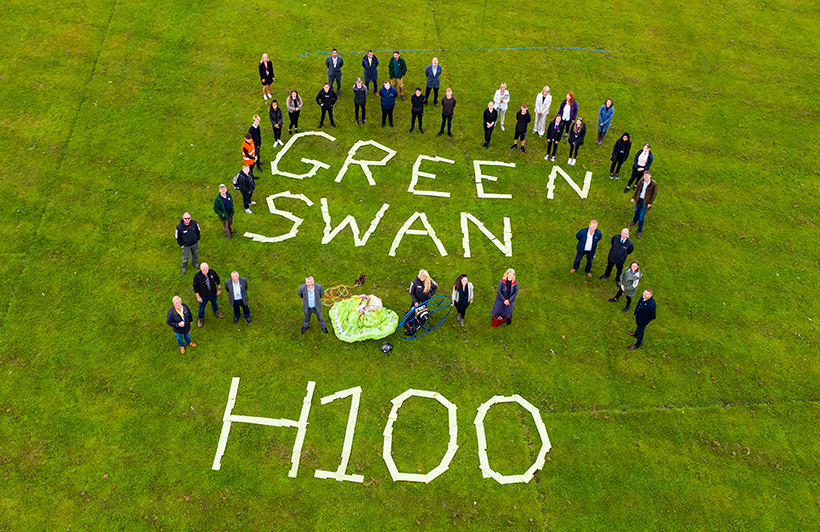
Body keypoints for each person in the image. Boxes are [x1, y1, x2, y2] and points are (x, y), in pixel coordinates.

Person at [193, 263, 224, 328]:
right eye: (203, 268)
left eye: (206, 267)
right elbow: (195, 287)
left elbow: (217, 280)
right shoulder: (197, 276)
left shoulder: (212, 272)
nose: (205, 269)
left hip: (213, 293)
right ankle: (200, 318)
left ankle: (216, 311)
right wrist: (198, 296)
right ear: (201, 269)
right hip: (203, 296)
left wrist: (219, 289)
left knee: (214, 302)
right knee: (202, 307)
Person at [629, 172, 657, 238]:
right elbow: (637, 189)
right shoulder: (641, 181)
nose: (645, 177)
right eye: (644, 176)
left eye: (647, 176)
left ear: (650, 176)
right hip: (639, 199)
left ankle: (639, 231)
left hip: (645, 202)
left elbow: (654, 194)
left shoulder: (653, 184)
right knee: (636, 211)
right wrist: (633, 198)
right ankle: (634, 221)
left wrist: (650, 203)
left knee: (641, 216)